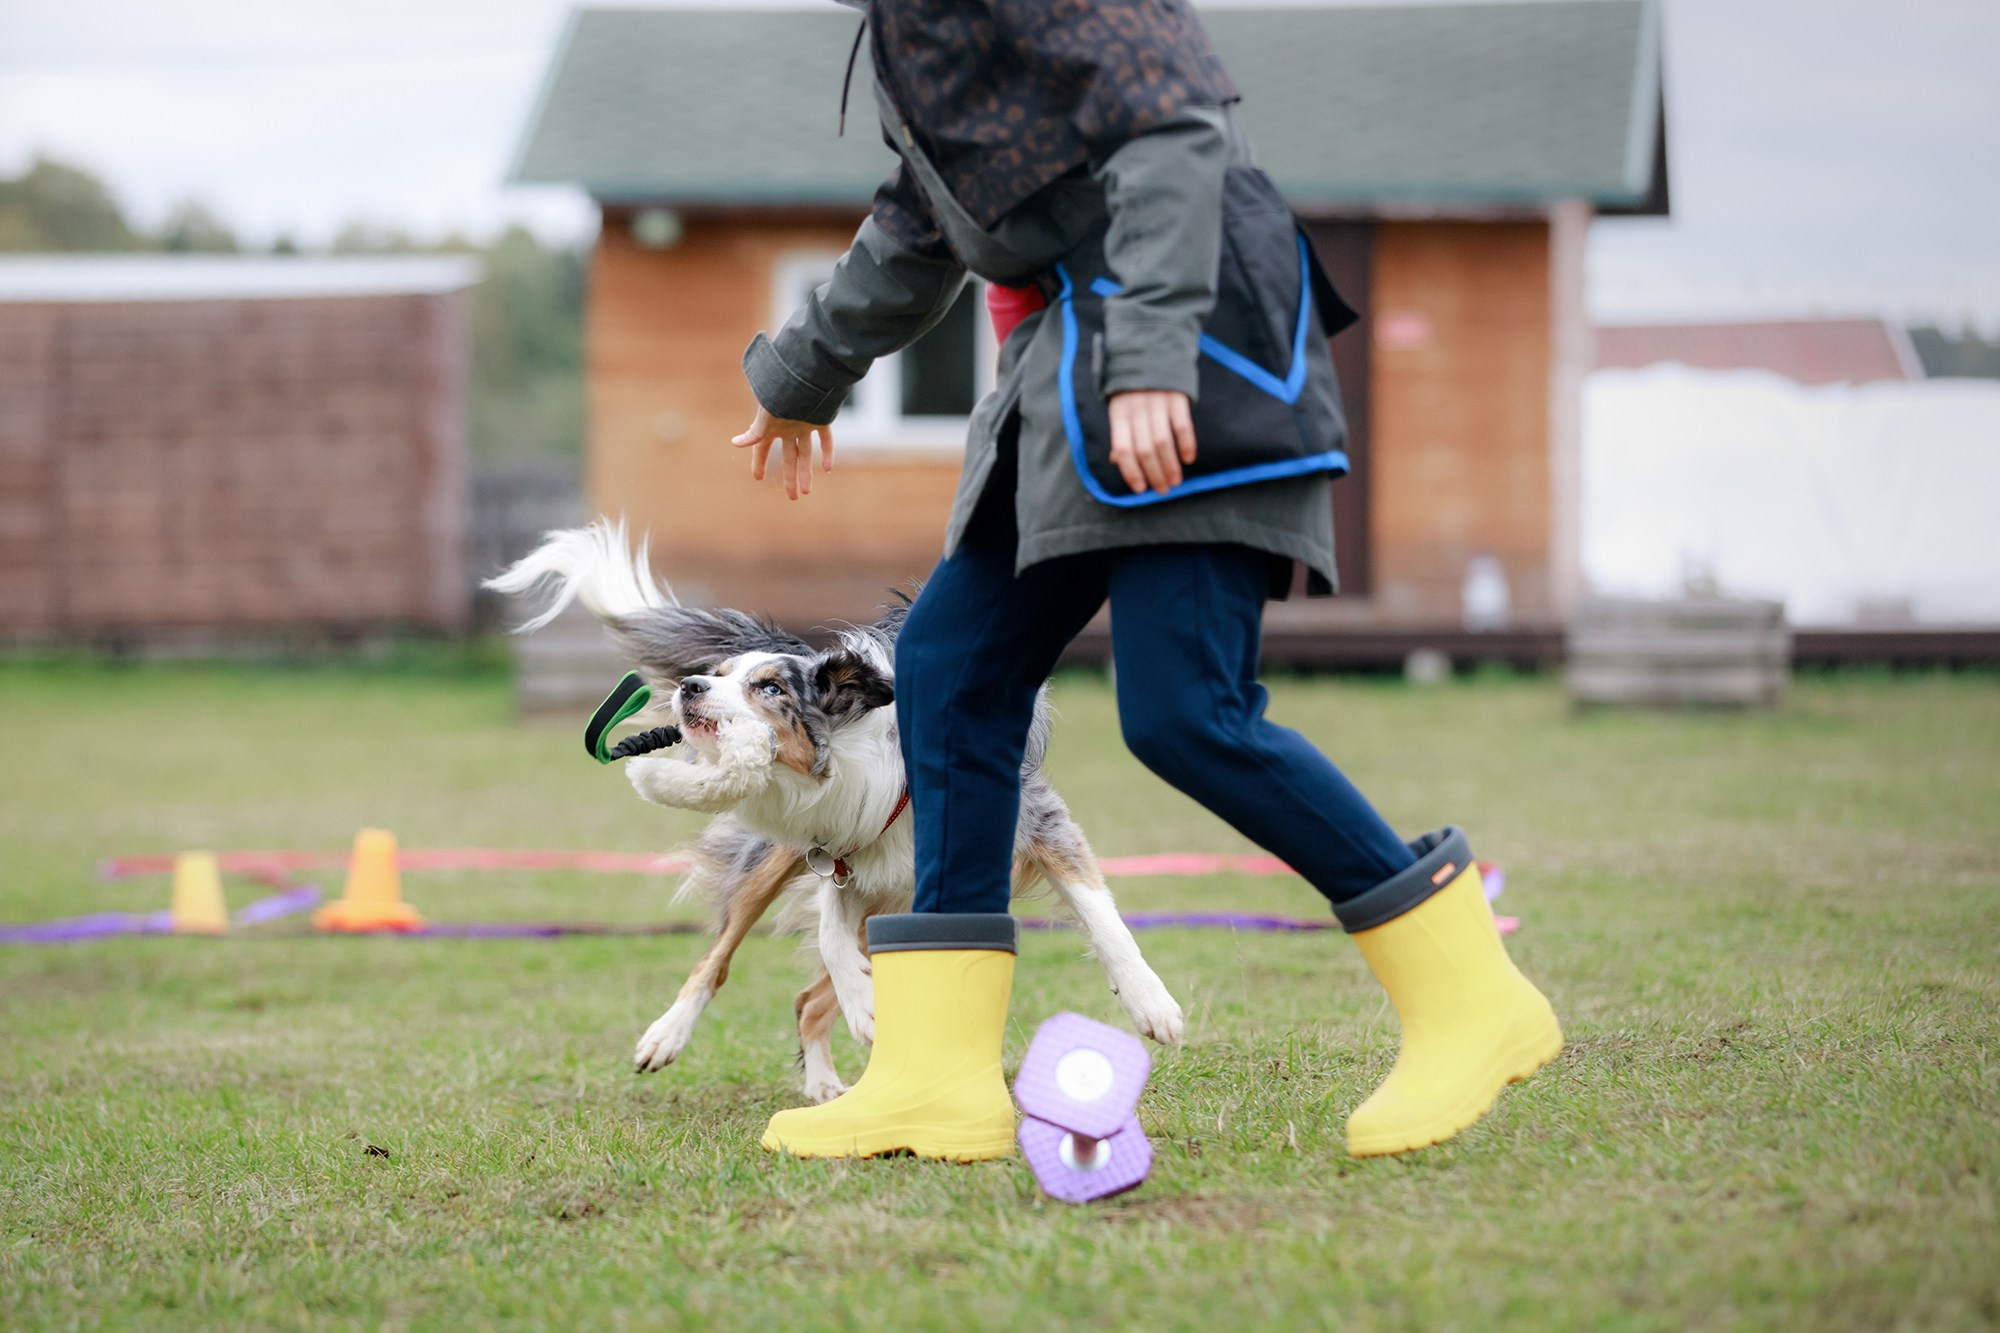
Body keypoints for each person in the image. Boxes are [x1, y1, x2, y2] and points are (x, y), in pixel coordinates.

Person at [732, 0, 1561, 1163]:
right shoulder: (910, 23)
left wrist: (1154, 358)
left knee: (1185, 715)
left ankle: (1472, 1001)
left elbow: (1174, 129)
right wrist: (803, 370)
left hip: (1192, 351)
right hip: (1061, 377)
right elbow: (928, 212)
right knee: (950, 671)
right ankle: (935, 1072)